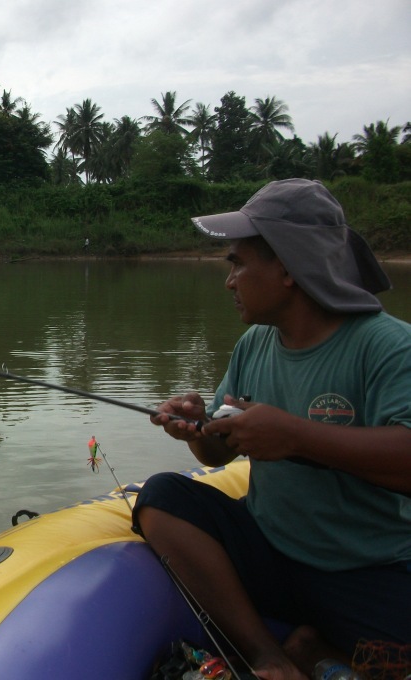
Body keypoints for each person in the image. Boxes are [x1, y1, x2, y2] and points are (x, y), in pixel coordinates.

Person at [131, 179, 411, 680]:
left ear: (287, 267)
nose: (229, 280)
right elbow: (218, 456)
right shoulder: (255, 344)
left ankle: (312, 647)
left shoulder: (387, 346)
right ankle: (270, 656)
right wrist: (198, 428)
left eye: (238, 263)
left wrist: (298, 437)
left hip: (367, 568)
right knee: (163, 498)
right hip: (271, 549)